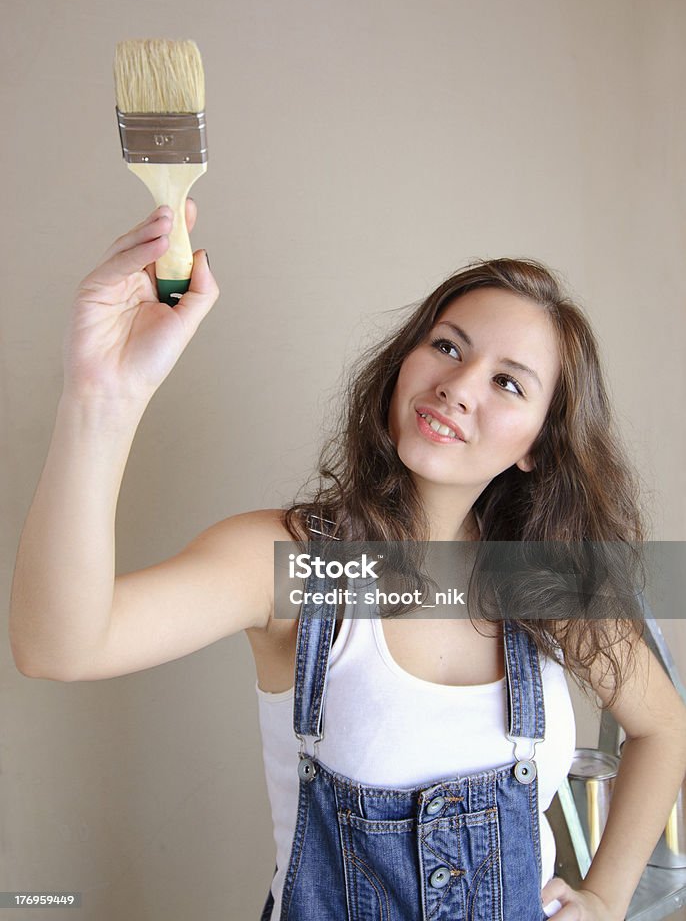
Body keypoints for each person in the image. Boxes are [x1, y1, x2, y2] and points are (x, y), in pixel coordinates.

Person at [10, 201, 686, 921]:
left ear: (536, 446)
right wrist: (101, 395)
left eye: (508, 382)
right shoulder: (308, 568)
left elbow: (662, 728)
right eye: (449, 347)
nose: (459, 386)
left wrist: (607, 898)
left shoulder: (536, 581)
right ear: (405, 364)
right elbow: (59, 646)